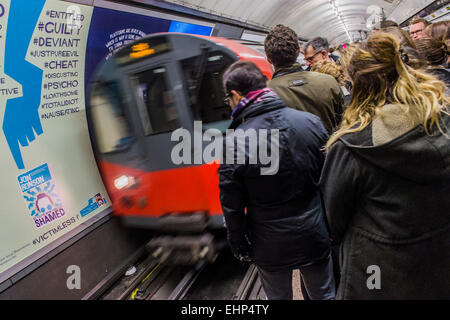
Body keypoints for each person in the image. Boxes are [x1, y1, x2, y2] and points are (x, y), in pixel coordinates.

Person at [320, 32, 450, 299]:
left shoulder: (352, 146)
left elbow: (333, 221)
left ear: (361, 86)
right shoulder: (442, 121)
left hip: (379, 270)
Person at [218, 60, 335, 300]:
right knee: (324, 295)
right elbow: (330, 181)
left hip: (269, 243)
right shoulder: (310, 123)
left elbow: (232, 205)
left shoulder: (234, 143)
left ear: (235, 95)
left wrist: (239, 244)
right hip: (314, 232)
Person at [264, 25, 345, 134]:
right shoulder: (329, 82)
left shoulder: (263, 94)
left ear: (268, 59)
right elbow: (344, 123)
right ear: (298, 50)